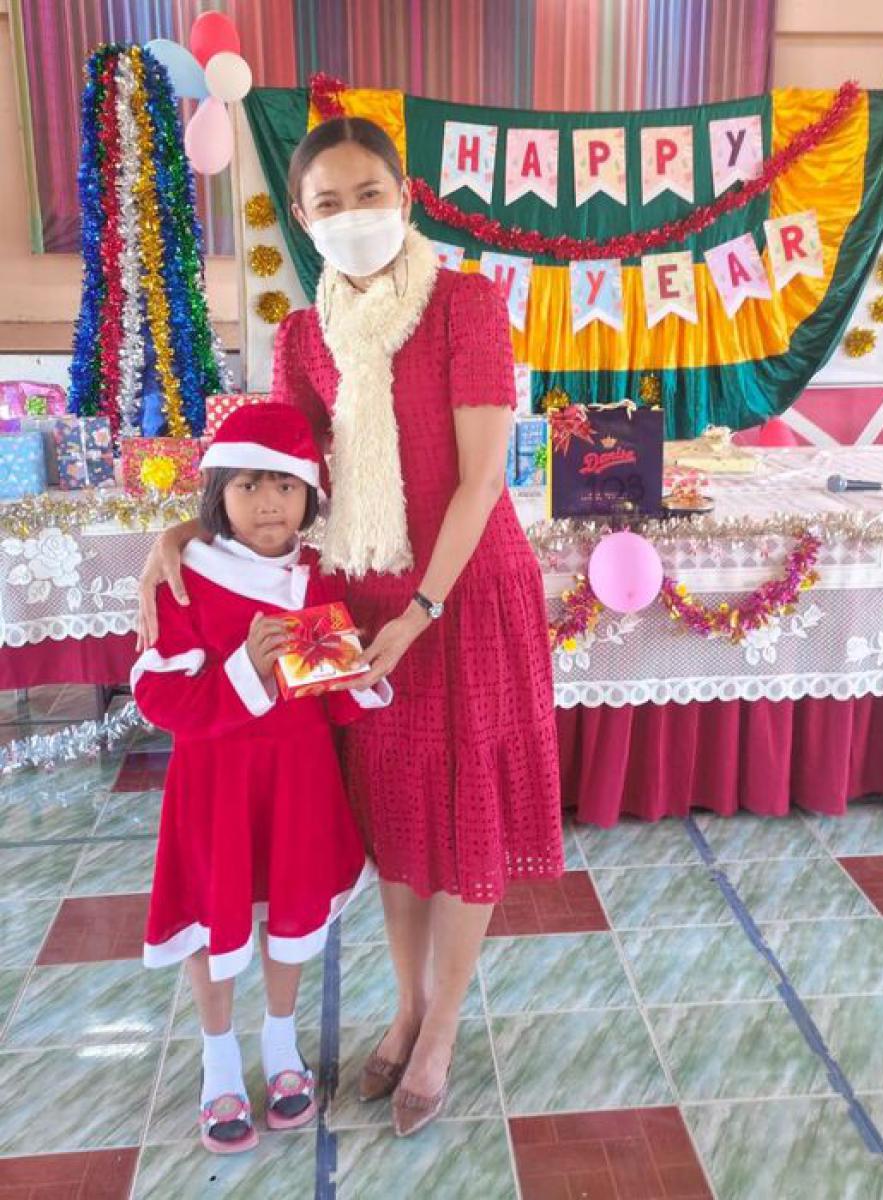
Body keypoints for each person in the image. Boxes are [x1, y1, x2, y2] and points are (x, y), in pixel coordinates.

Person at [137, 116, 563, 1138]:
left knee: (464, 813)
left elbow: (479, 482)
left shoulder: (465, 305)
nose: (352, 214)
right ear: (302, 216)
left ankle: (442, 1026)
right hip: (358, 600)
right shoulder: (302, 336)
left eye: (369, 192)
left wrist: (423, 610)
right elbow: (279, 476)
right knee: (397, 817)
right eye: (328, 201)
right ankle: (406, 1006)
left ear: (404, 195)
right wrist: (177, 530)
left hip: (462, 593)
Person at [132, 402, 389, 1154]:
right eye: (248, 485)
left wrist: (359, 673)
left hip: (298, 783)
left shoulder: (315, 578)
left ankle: (281, 1044)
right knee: (213, 918)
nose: (268, 502)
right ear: (219, 494)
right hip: (214, 788)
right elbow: (158, 695)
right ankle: (217, 1060)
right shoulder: (186, 579)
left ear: (310, 493)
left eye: (285, 485)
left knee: (290, 913)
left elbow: (330, 696)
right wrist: (245, 668)